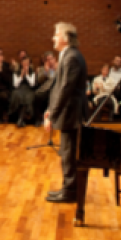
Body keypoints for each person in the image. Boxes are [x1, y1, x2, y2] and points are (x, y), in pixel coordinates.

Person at [43, 22, 88, 204]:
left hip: (72, 113)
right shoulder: (68, 55)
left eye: (55, 34)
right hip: (69, 111)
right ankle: (67, 188)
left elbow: (65, 89)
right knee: (66, 152)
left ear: (65, 37)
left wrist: (52, 115)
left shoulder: (71, 57)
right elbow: (59, 88)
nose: (53, 37)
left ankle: (70, 192)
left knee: (69, 154)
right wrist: (50, 109)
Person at [9, 55, 37, 128]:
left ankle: (21, 119)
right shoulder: (16, 71)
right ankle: (20, 119)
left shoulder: (32, 71)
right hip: (19, 88)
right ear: (21, 63)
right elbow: (15, 85)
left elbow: (32, 84)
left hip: (29, 89)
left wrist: (27, 74)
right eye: (24, 62)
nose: (25, 64)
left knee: (28, 97)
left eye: (27, 63)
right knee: (17, 96)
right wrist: (21, 75)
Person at [33, 52, 56, 128]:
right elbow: (39, 80)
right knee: (37, 95)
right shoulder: (42, 69)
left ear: (54, 59)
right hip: (45, 90)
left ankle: (51, 120)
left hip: (55, 90)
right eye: (47, 60)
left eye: (51, 59)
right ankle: (37, 120)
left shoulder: (59, 67)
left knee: (53, 97)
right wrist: (46, 71)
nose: (49, 61)